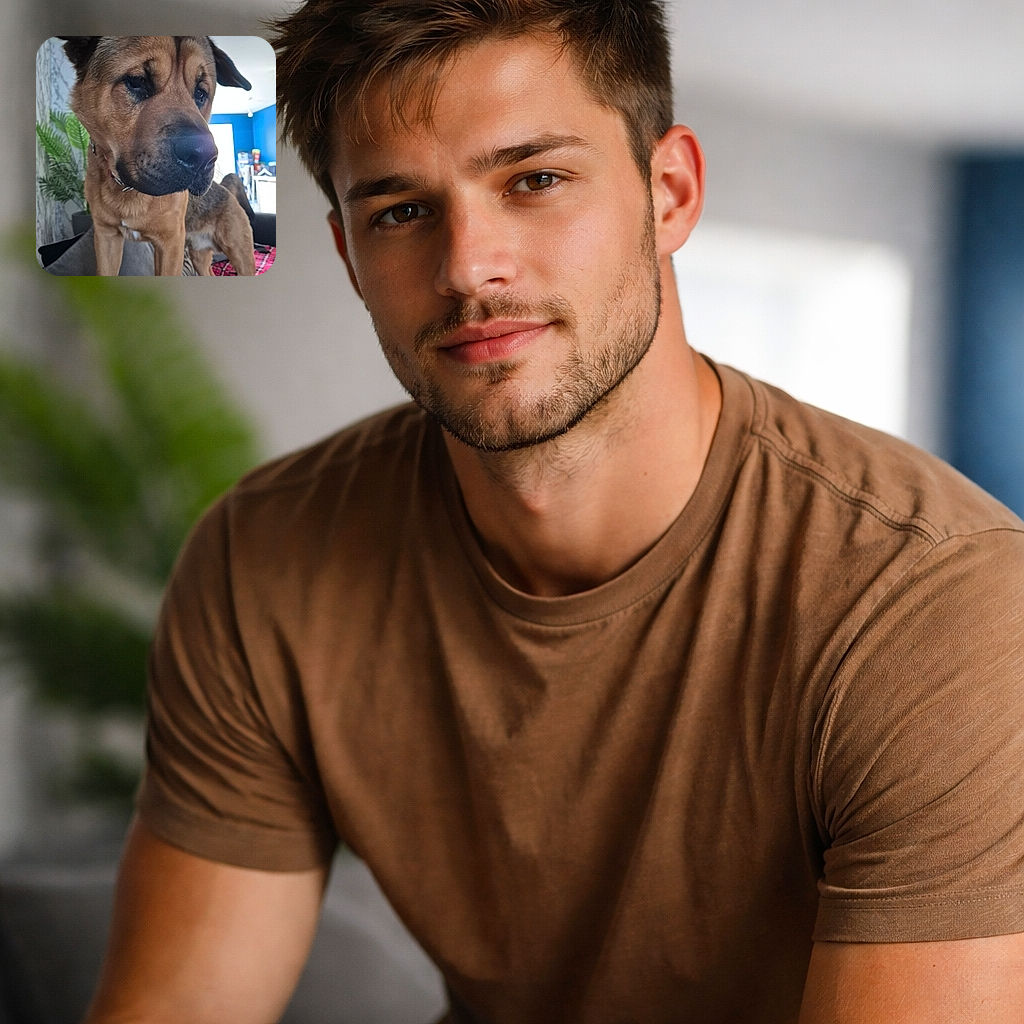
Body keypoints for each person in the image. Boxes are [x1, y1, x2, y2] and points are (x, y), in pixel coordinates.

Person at [83, 1, 1024, 1021]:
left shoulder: (939, 602)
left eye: (534, 180)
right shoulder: (263, 559)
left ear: (669, 193)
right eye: (400, 210)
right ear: (350, 258)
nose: (468, 268)